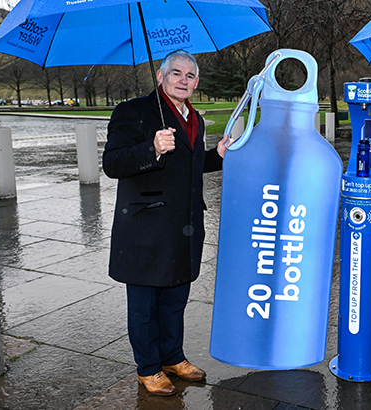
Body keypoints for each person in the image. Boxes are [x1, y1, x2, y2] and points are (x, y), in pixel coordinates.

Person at [103, 49, 228, 396]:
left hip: (183, 227)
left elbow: (188, 166)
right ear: (160, 77)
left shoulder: (195, 118)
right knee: (144, 305)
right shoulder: (133, 111)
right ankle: (148, 367)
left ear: (197, 82)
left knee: (175, 298)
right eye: (176, 73)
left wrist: (216, 156)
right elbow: (112, 163)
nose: (183, 80)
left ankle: (172, 357)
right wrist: (152, 149)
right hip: (146, 227)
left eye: (190, 76)